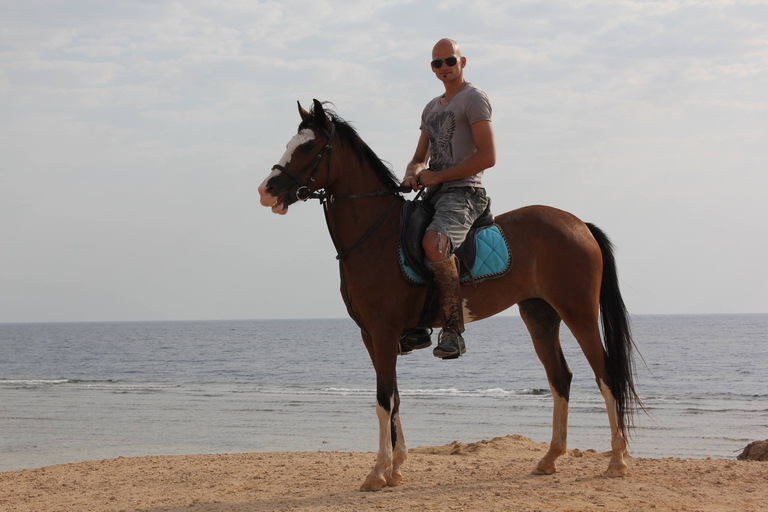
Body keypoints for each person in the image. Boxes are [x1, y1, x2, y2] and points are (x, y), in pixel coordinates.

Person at [402, 38, 496, 359]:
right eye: (436, 63)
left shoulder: (474, 98)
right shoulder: (431, 108)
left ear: (463, 62)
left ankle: (454, 331)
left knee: (434, 243)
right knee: (398, 237)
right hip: (434, 192)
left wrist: (438, 176)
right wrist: (412, 173)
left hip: (466, 193)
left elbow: (488, 156)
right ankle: (415, 325)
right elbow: (419, 157)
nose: (443, 67)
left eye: (449, 61)